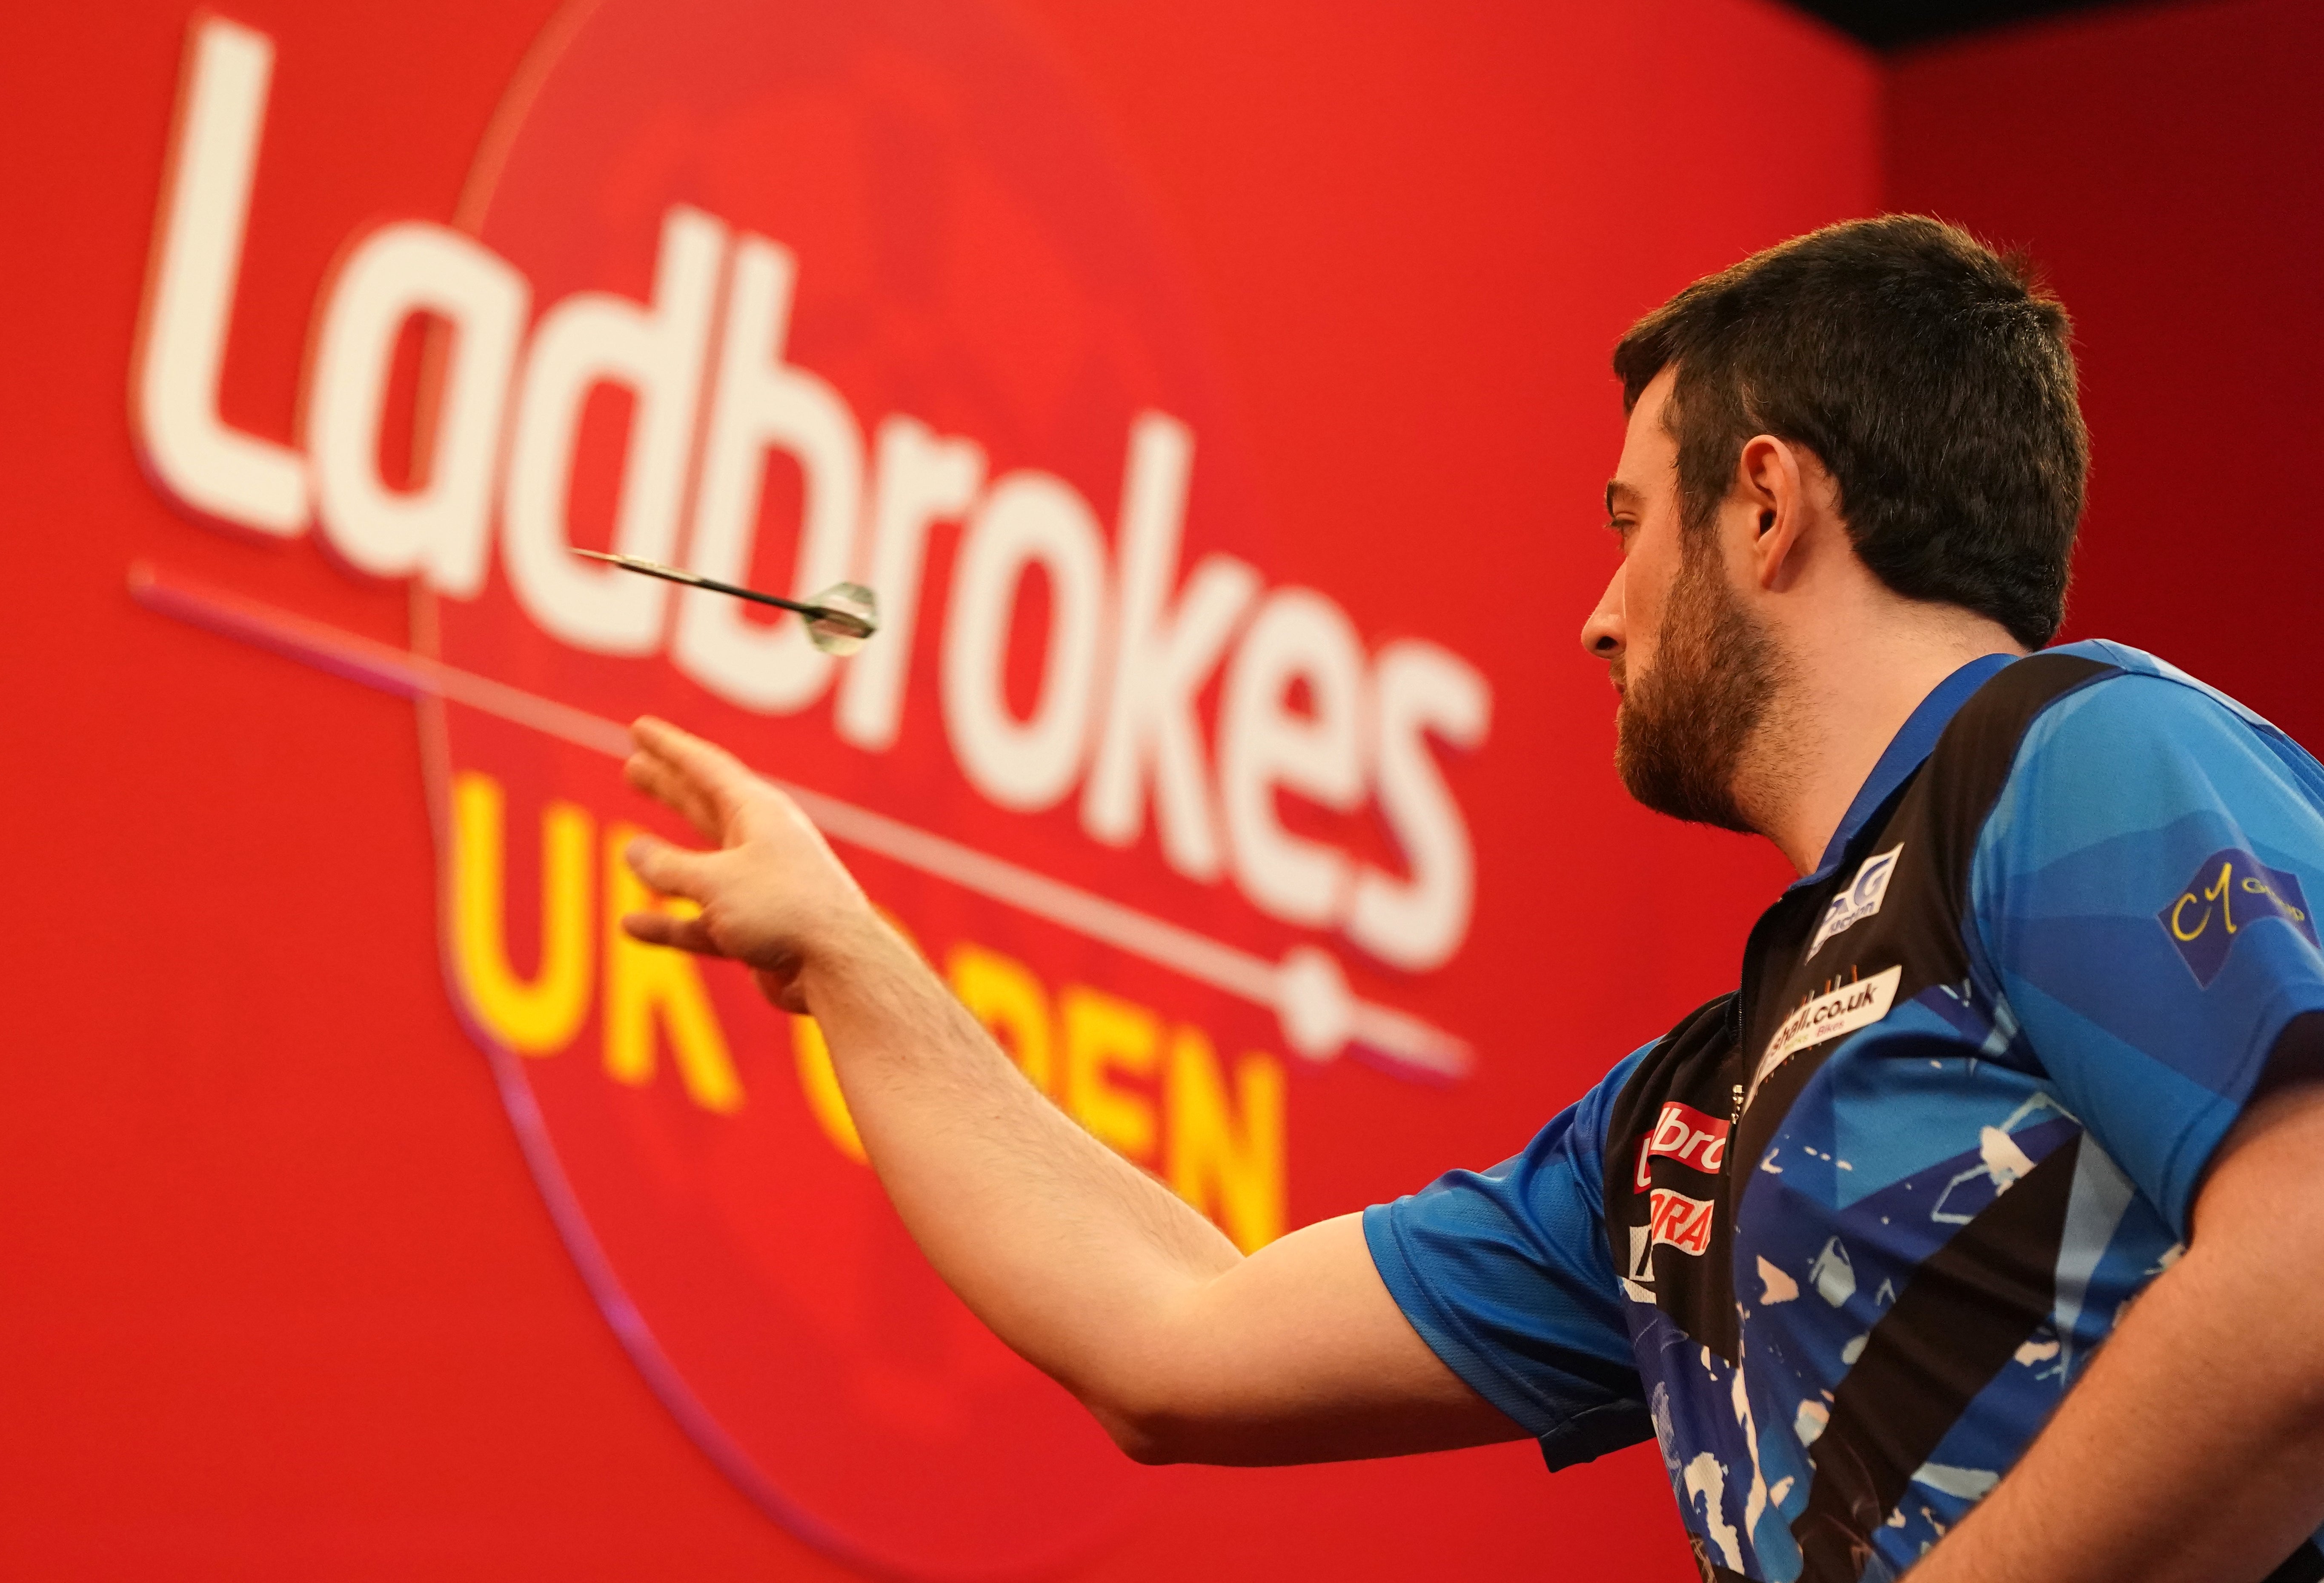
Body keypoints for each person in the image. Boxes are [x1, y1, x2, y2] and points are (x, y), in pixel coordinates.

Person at [616, 216, 2324, 1583]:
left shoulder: (2076, 756)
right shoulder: (1689, 1126)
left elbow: (2310, 1271)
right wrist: (847, 956)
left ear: (1767, 506)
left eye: (1628, 521)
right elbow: (1171, 1341)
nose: (1600, 614)